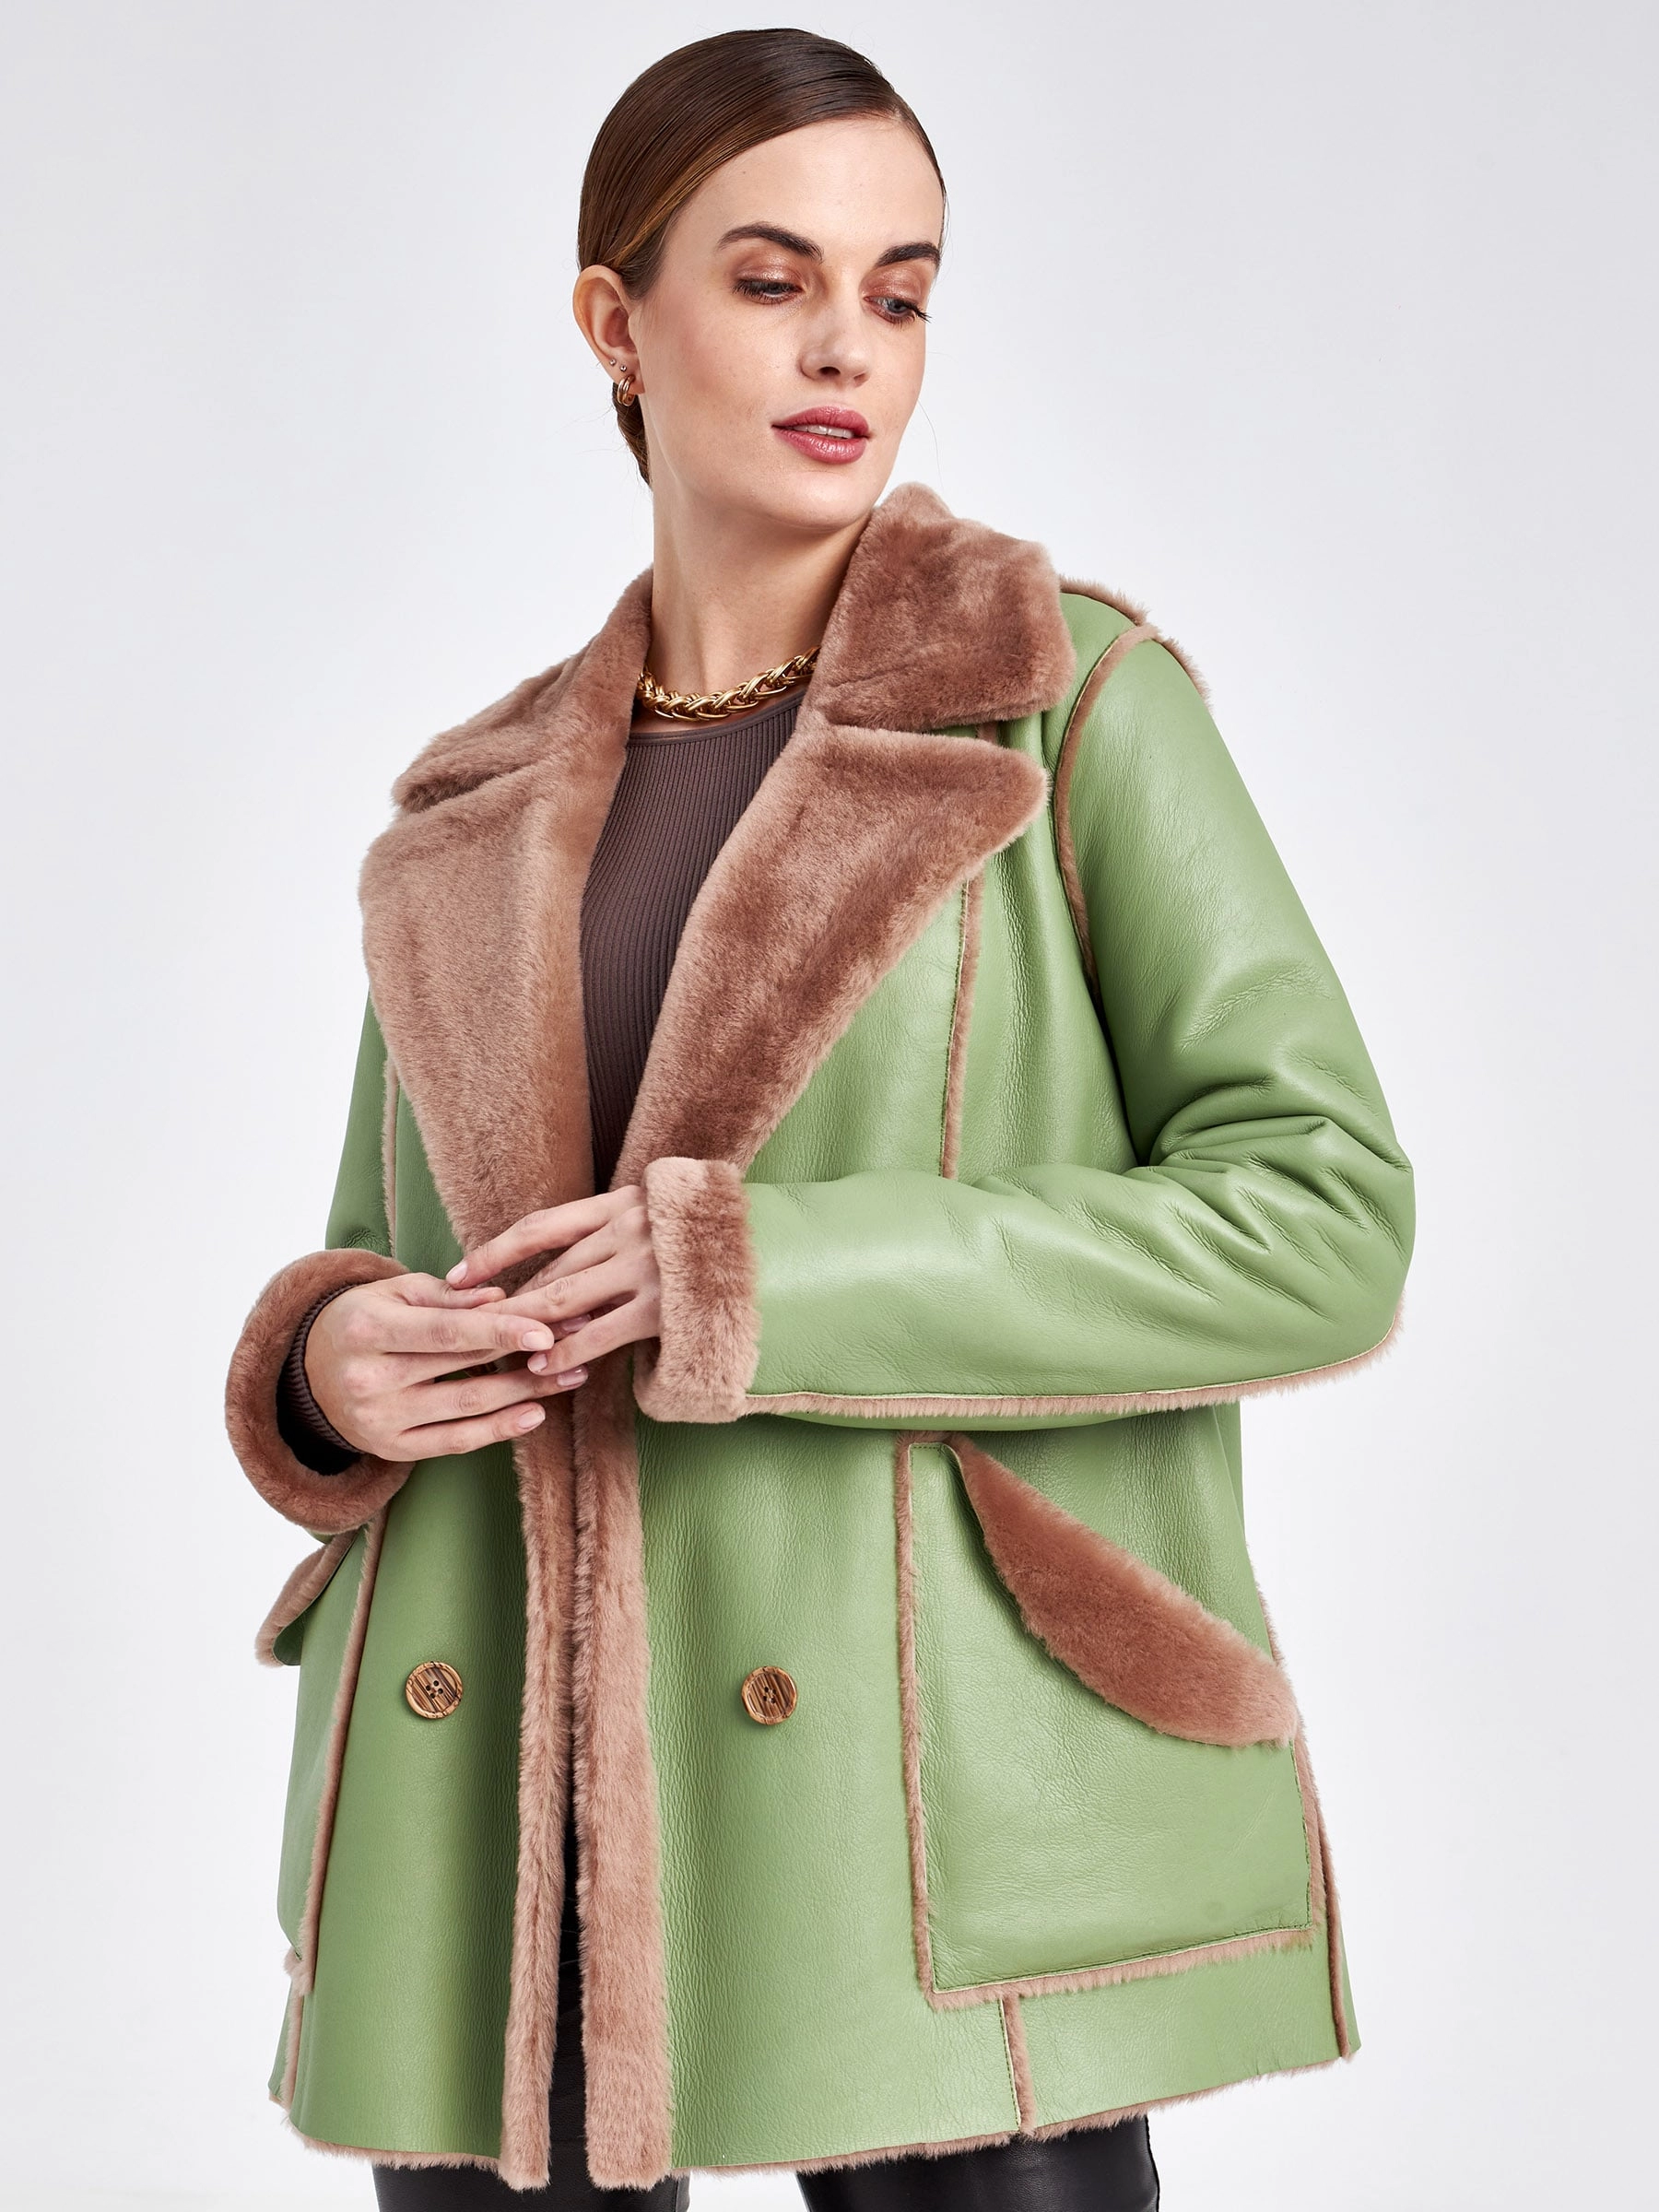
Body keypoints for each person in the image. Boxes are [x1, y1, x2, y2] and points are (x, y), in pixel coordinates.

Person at [224, 29, 1414, 2211]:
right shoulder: (469, 816)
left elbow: (1322, 1216)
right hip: (505, 1805)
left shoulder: (1069, 705)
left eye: (901, 289)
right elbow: (383, 1250)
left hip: (930, 1779)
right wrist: (328, 1365)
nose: (847, 345)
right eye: (772, 281)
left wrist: (755, 1272)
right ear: (617, 322)